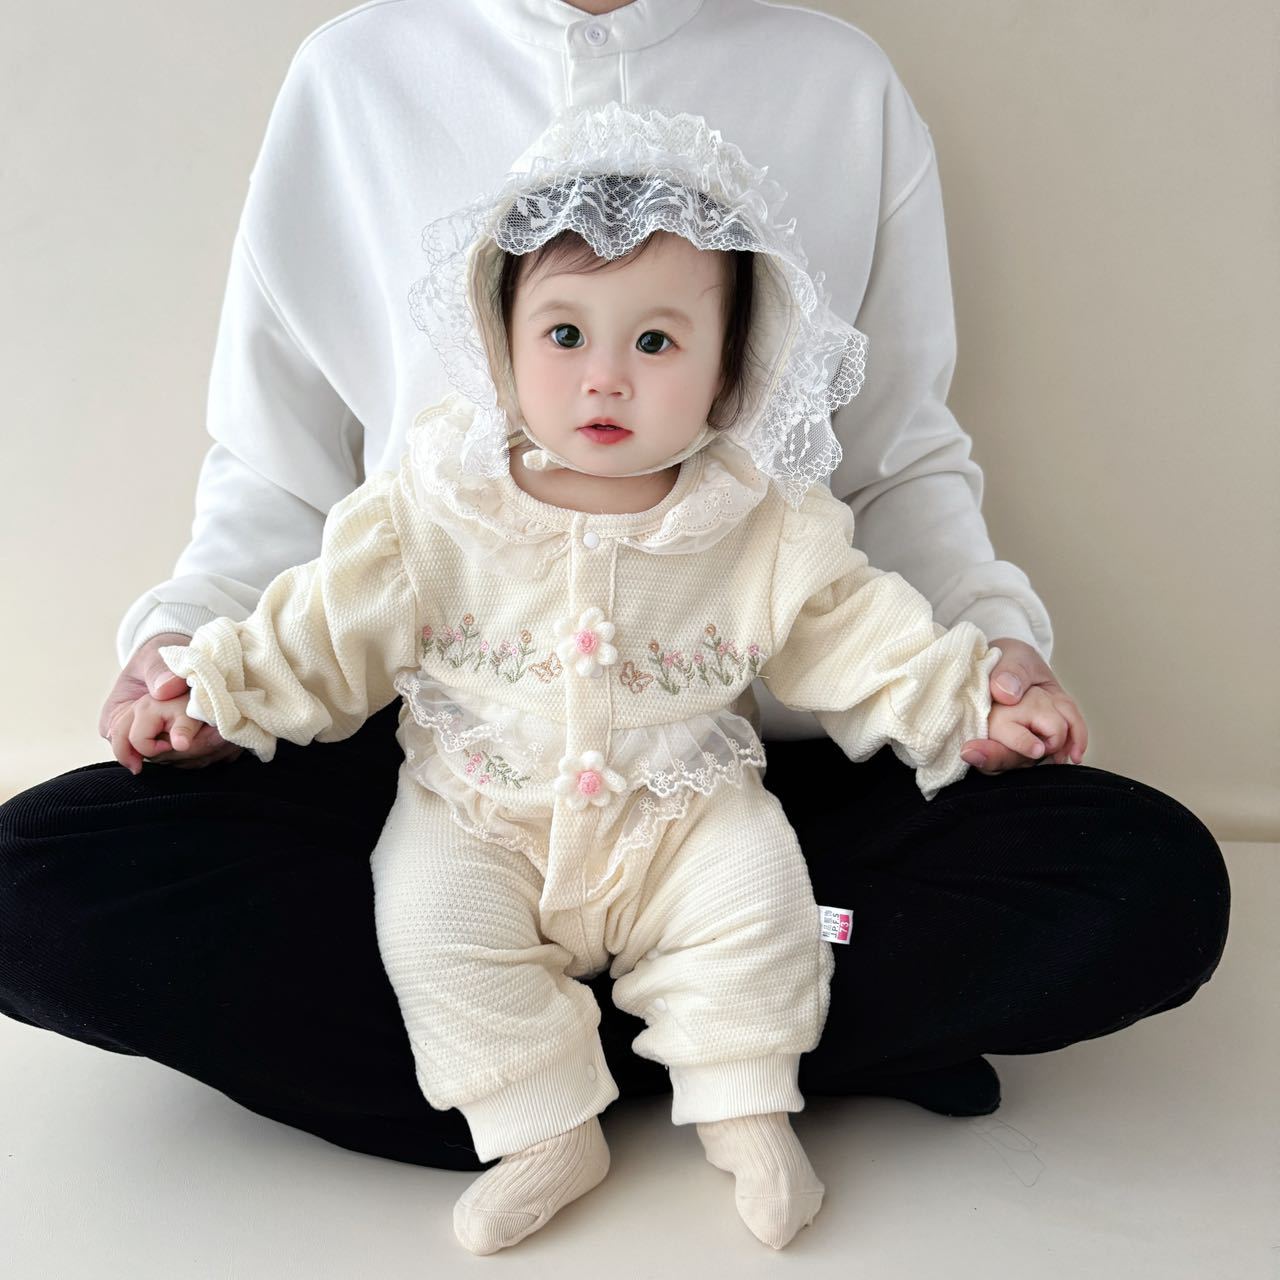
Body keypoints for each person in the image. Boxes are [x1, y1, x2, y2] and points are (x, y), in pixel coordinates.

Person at [0, 0, 1227, 1220]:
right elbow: (278, 483)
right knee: (33, 884)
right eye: (566, 334)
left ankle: (601, 1047)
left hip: (714, 771)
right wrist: (189, 673)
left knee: (1141, 880)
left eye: (650, 340)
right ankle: (671, 1046)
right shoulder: (353, 76)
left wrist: (987, 676)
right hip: (449, 764)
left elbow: (894, 472)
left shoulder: (837, 85)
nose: (603, 374)